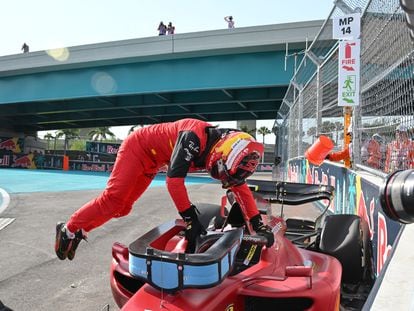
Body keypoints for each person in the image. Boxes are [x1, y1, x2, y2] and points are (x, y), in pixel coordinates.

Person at [55, 118, 274, 260]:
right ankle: (67, 229)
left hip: (154, 161)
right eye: (220, 171)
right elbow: (174, 182)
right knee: (114, 199)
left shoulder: (229, 151)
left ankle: (81, 230)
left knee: (123, 209)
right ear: (222, 152)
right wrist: (190, 218)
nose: (220, 177)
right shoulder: (193, 136)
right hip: (137, 148)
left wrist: (257, 224)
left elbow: (240, 187)